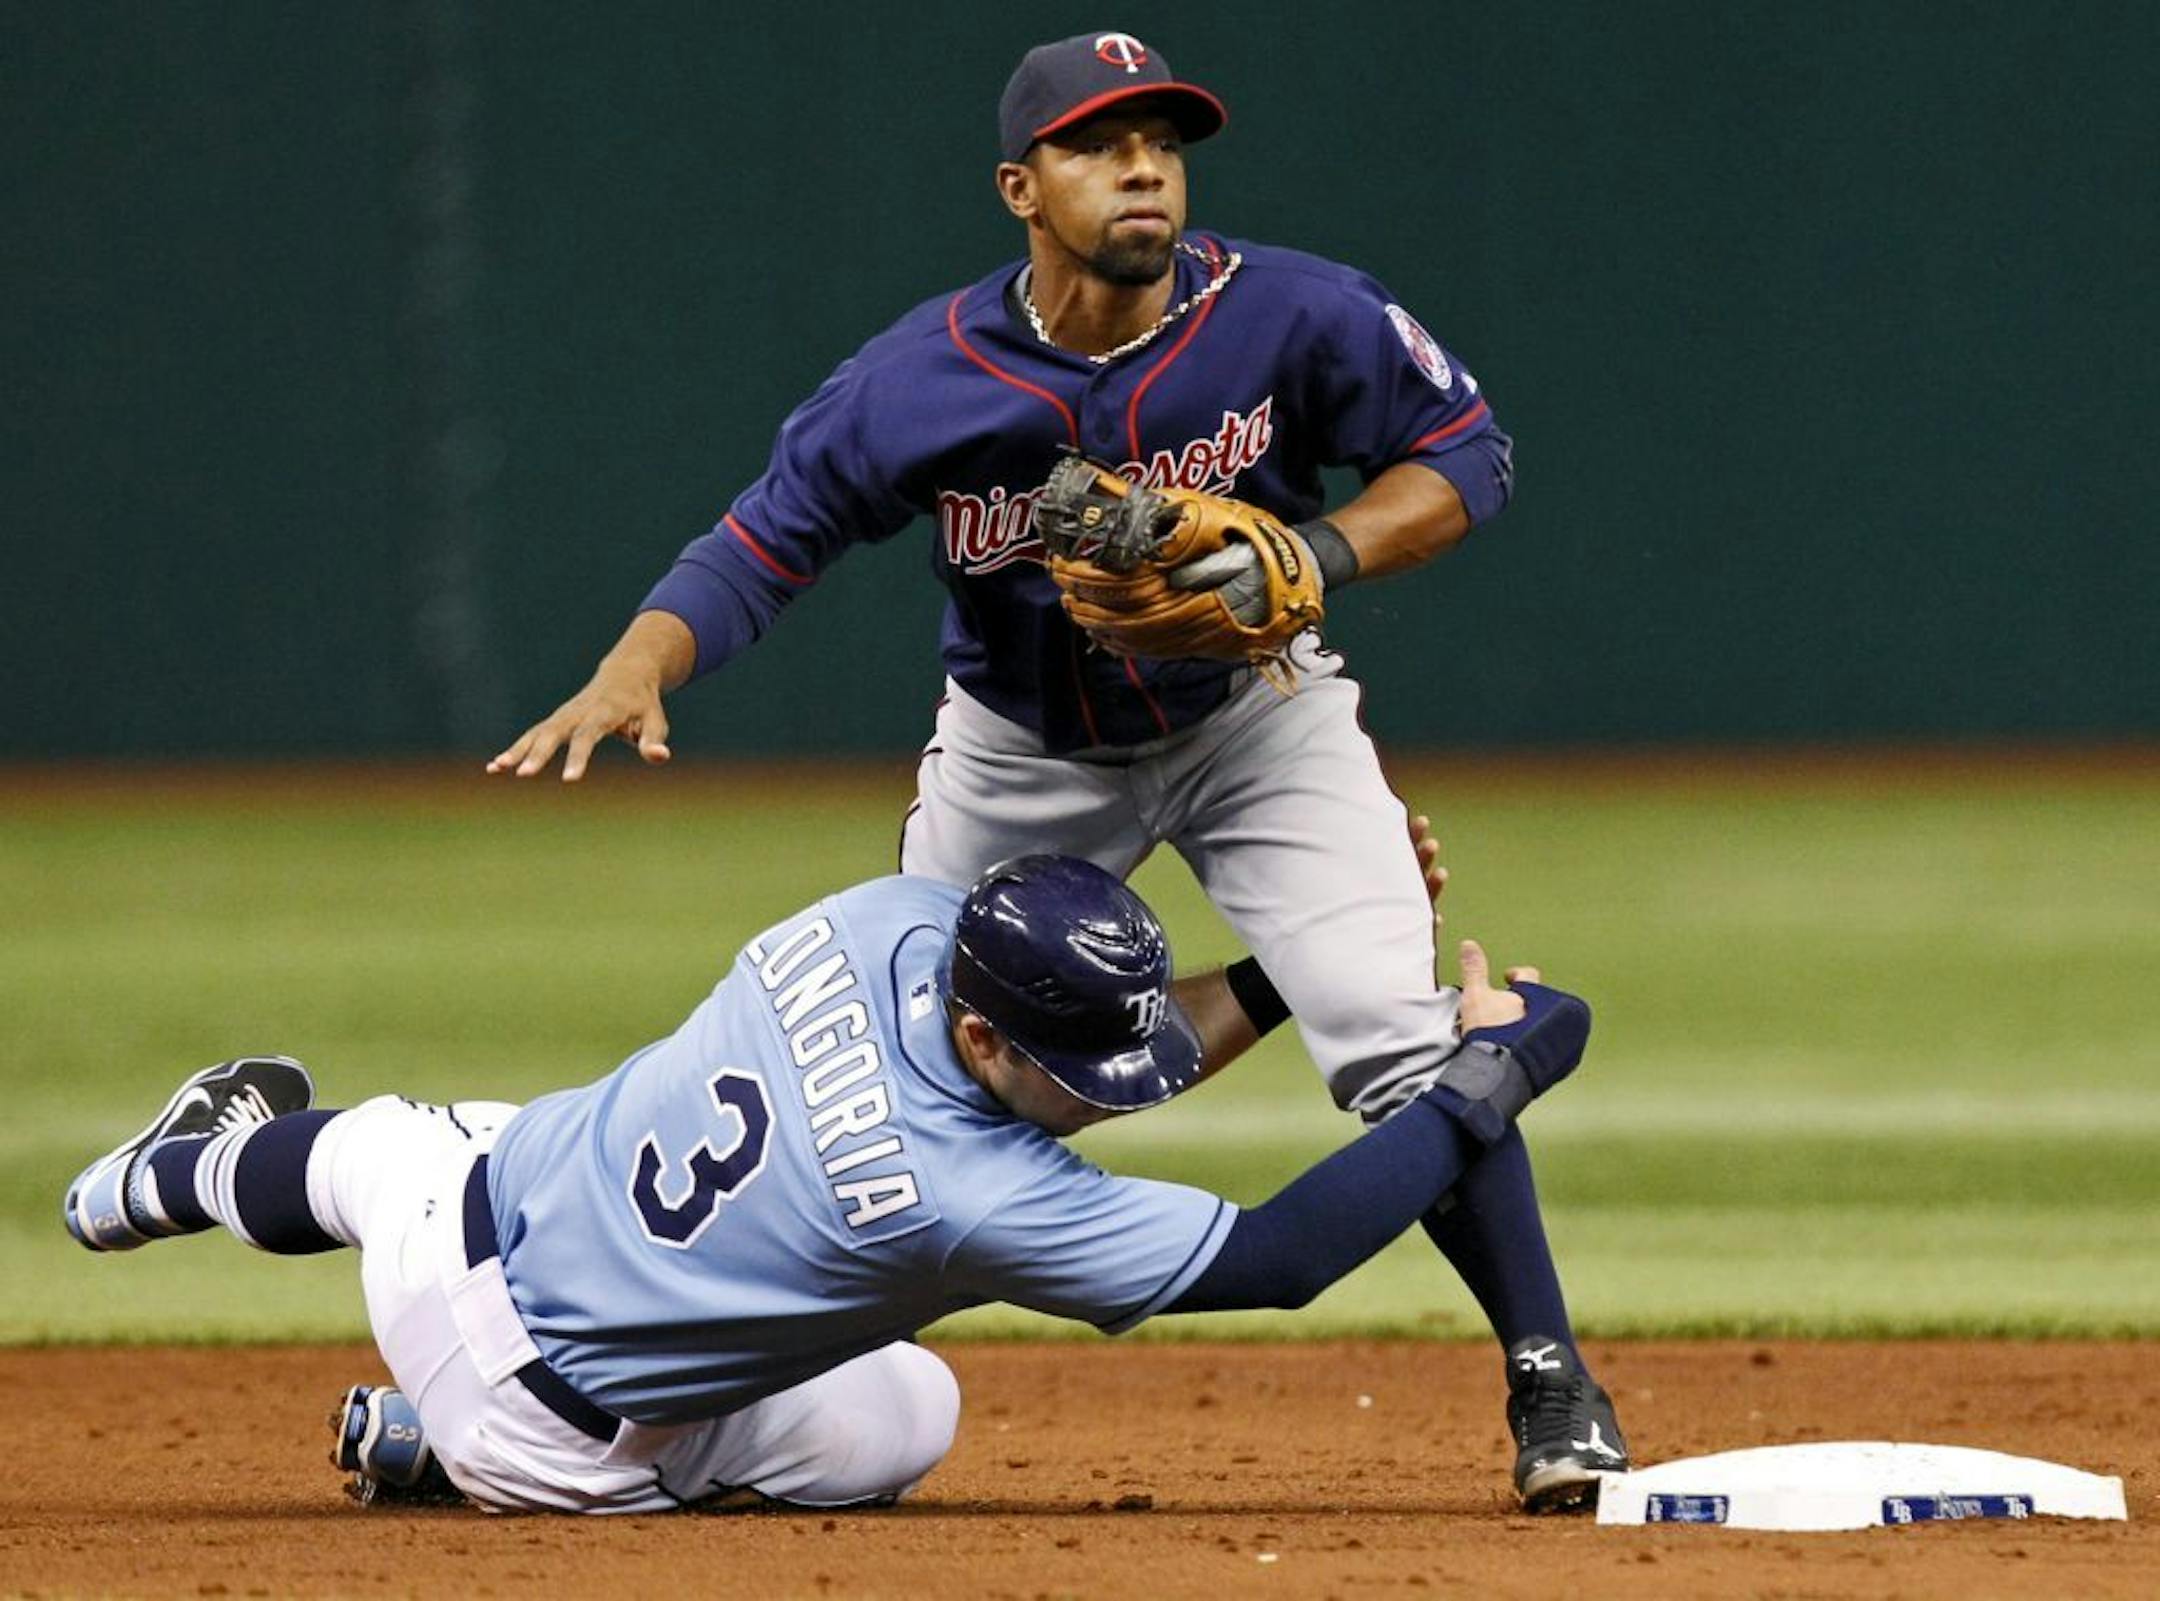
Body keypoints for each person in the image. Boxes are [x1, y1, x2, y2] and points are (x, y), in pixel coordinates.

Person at [485, 30, 1624, 1503]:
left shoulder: (1289, 313)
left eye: (1162, 137)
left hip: (1255, 720)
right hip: (1023, 757)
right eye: (1097, 142)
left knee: (1396, 1031)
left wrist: (1318, 552)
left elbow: (1466, 452)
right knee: (890, 1093)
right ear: (1022, 187)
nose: (1142, 163)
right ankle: (618, 1408)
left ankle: (1551, 1377)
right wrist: (641, 660)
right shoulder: (920, 378)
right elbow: (766, 537)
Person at [64, 856, 1621, 1515]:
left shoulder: (882, 913)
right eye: (1072, 1065)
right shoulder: (960, 1192)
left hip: (469, 1195)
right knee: (913, 1410)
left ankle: (160, 1176)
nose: (1107, 1090)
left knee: (361, 1144)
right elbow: (1281, 1254)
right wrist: (1497, 1072)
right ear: (977, 1030)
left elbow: (1080, 1049)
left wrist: (1284, 970)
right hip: (553, 1436)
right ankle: (444, 1460)